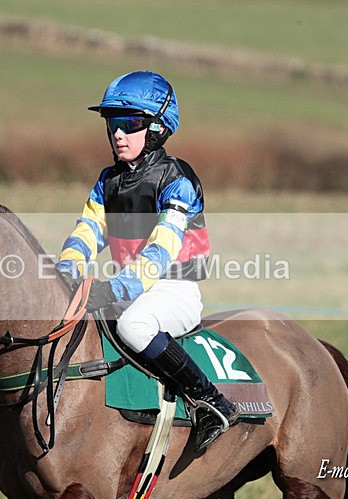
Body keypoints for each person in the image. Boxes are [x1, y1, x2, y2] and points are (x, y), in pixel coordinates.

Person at [56, 70, 240, 452]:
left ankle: (211, 402)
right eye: (112, 124)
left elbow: (161, 249)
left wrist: (115, 289)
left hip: (174, 290)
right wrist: (65, 273)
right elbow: (88, 231)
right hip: (133, 289)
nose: (118, 134)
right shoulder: (107, 181)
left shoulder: (178, 179)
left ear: (156, 129)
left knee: (134, 326)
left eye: (129, 124)